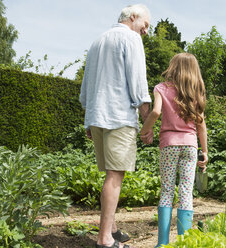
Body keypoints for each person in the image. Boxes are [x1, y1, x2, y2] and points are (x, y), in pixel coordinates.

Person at [79, 4, 152, 248]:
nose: (145, 31)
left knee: (109, 175)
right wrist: (148, 122)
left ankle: (112, 228)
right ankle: (105, 240)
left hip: (97, 117)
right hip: (118, 117)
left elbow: (86, 85)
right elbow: (138, 84)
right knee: (115, 176)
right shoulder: (130, 39)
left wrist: (89, 118)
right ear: (133, 18)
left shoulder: (98, 41)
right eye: (145, 25)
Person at [140, 53, 209, 248]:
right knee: (186, 192)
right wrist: (205, 151)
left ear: (173, 67)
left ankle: (162, 244)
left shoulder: (161, 88)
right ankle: (183, 243)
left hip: (169, 145)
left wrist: (145, 130)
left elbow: (155, 112)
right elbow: (201, 124)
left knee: (167, 191)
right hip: (190, 146)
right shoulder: (196, 92)